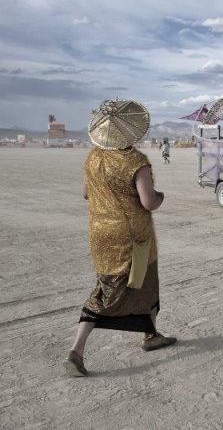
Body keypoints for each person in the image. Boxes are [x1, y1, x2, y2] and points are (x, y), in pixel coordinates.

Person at [64, 100, 176, 378]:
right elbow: (149, 202)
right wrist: (161, 195)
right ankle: (75, 352)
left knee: (126, 284)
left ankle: (151, 336)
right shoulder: (135, 161)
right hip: (133, 238)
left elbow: (86, 194)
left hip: (100, 234)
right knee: (123, 288)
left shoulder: (92, 158)